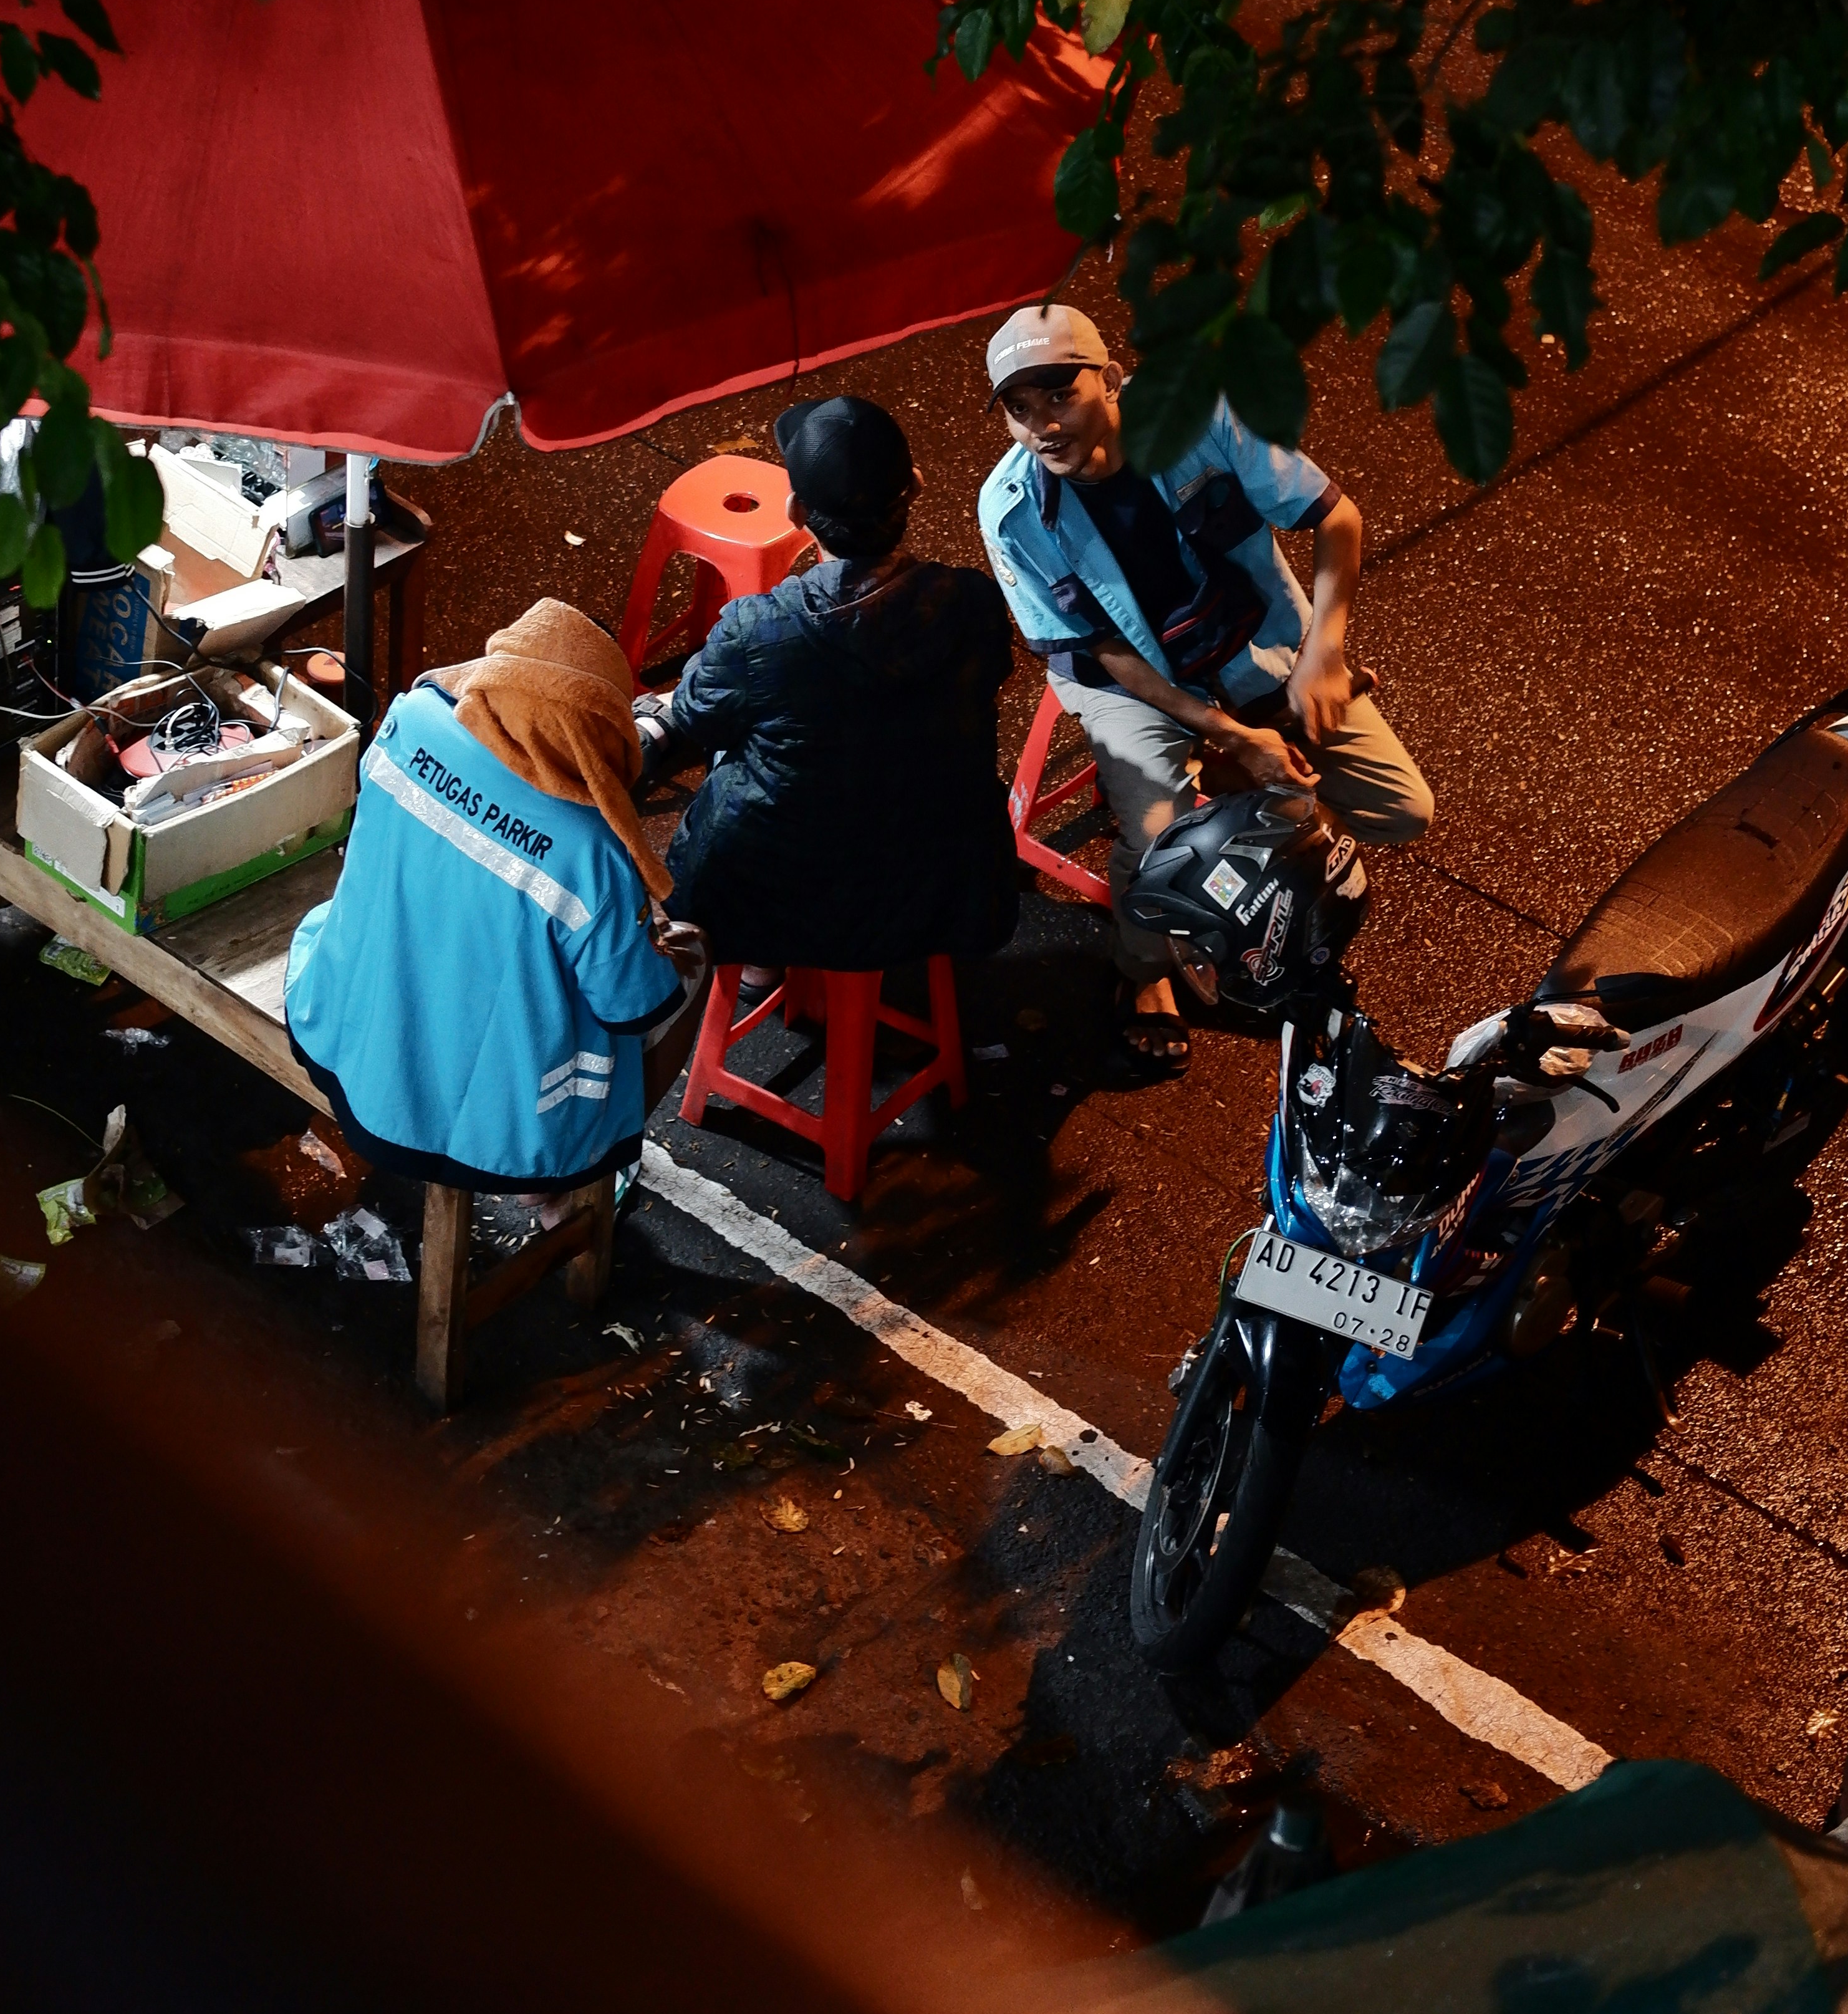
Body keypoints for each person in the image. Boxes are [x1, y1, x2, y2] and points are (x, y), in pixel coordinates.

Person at [974, 302, 1432, 1078]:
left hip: (1253, 647)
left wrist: (1323, 652)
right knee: (1156, 840)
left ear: (1111, 380)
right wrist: (1229, 735)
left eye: (1060, 395)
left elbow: (1336, 518)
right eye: (1019, 410)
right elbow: (1109, 652)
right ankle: (1141, 973)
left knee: (1403, 809)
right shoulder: (1012, 509)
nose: (1042, 425)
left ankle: (1237, 820)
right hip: (1132, 684)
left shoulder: (1203, 413)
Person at [283, 599, 703, 1282]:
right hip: (489, 1127)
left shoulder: (411, 719)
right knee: (685, 964)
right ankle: (568, 1183)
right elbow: (634, 1006)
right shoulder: (591, 853)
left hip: (342, 1020)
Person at [641, 395, 1019, 978]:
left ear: (794, 511)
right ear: (915, 486)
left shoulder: (757, 630)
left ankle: (761, 965)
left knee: (735, 736)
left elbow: (695, 718)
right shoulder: (974, 602)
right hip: (943, 888)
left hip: (775, 897)